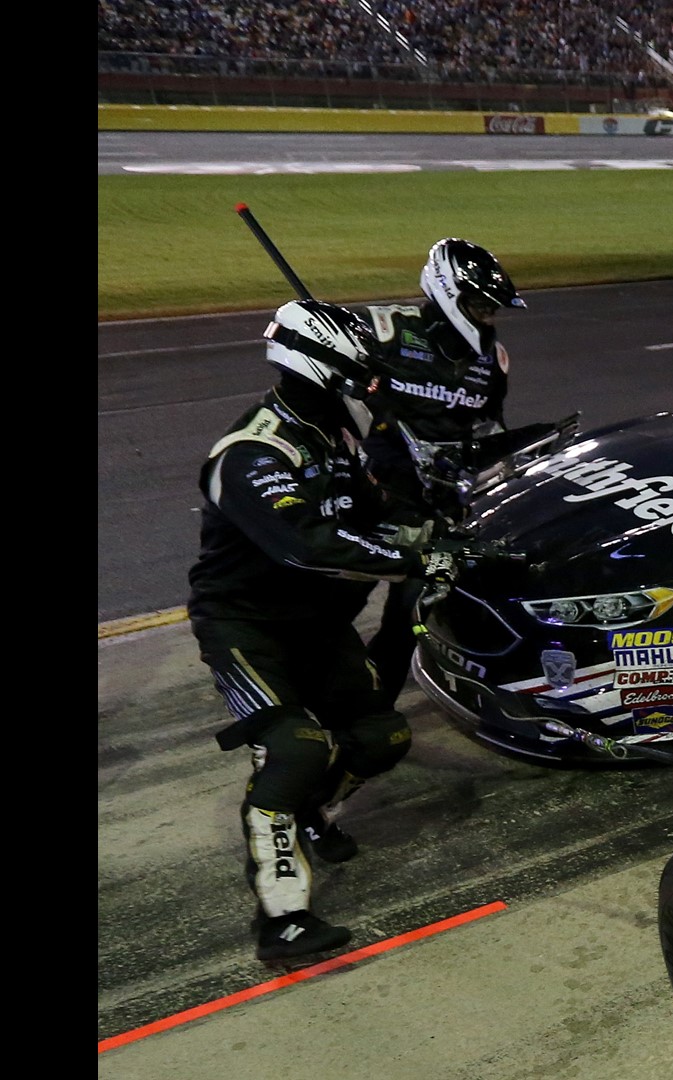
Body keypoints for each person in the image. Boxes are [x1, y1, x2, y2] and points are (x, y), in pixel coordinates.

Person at [187, 299, 468, 963]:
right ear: (321, 372)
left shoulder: (334, 435)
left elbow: (375, 509)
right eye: (366, 379)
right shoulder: (252, 451)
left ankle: (310, 814)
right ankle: (281, 920)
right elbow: (307, 544)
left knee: (383, 735)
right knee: (298, 748)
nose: (376, 390)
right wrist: (409, 555)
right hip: (245, 627)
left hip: (317, 623)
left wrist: (432, 529)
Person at [358, 237, 526, 710]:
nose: (487, 318)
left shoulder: (493, 360)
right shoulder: (384, 328)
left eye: (492, 309)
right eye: (479, 306)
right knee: (335, 600)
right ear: (448, 292)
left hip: (440, 512)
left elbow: (484, 431)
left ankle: (371, 711)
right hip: (375, 498)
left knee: (409, 613)